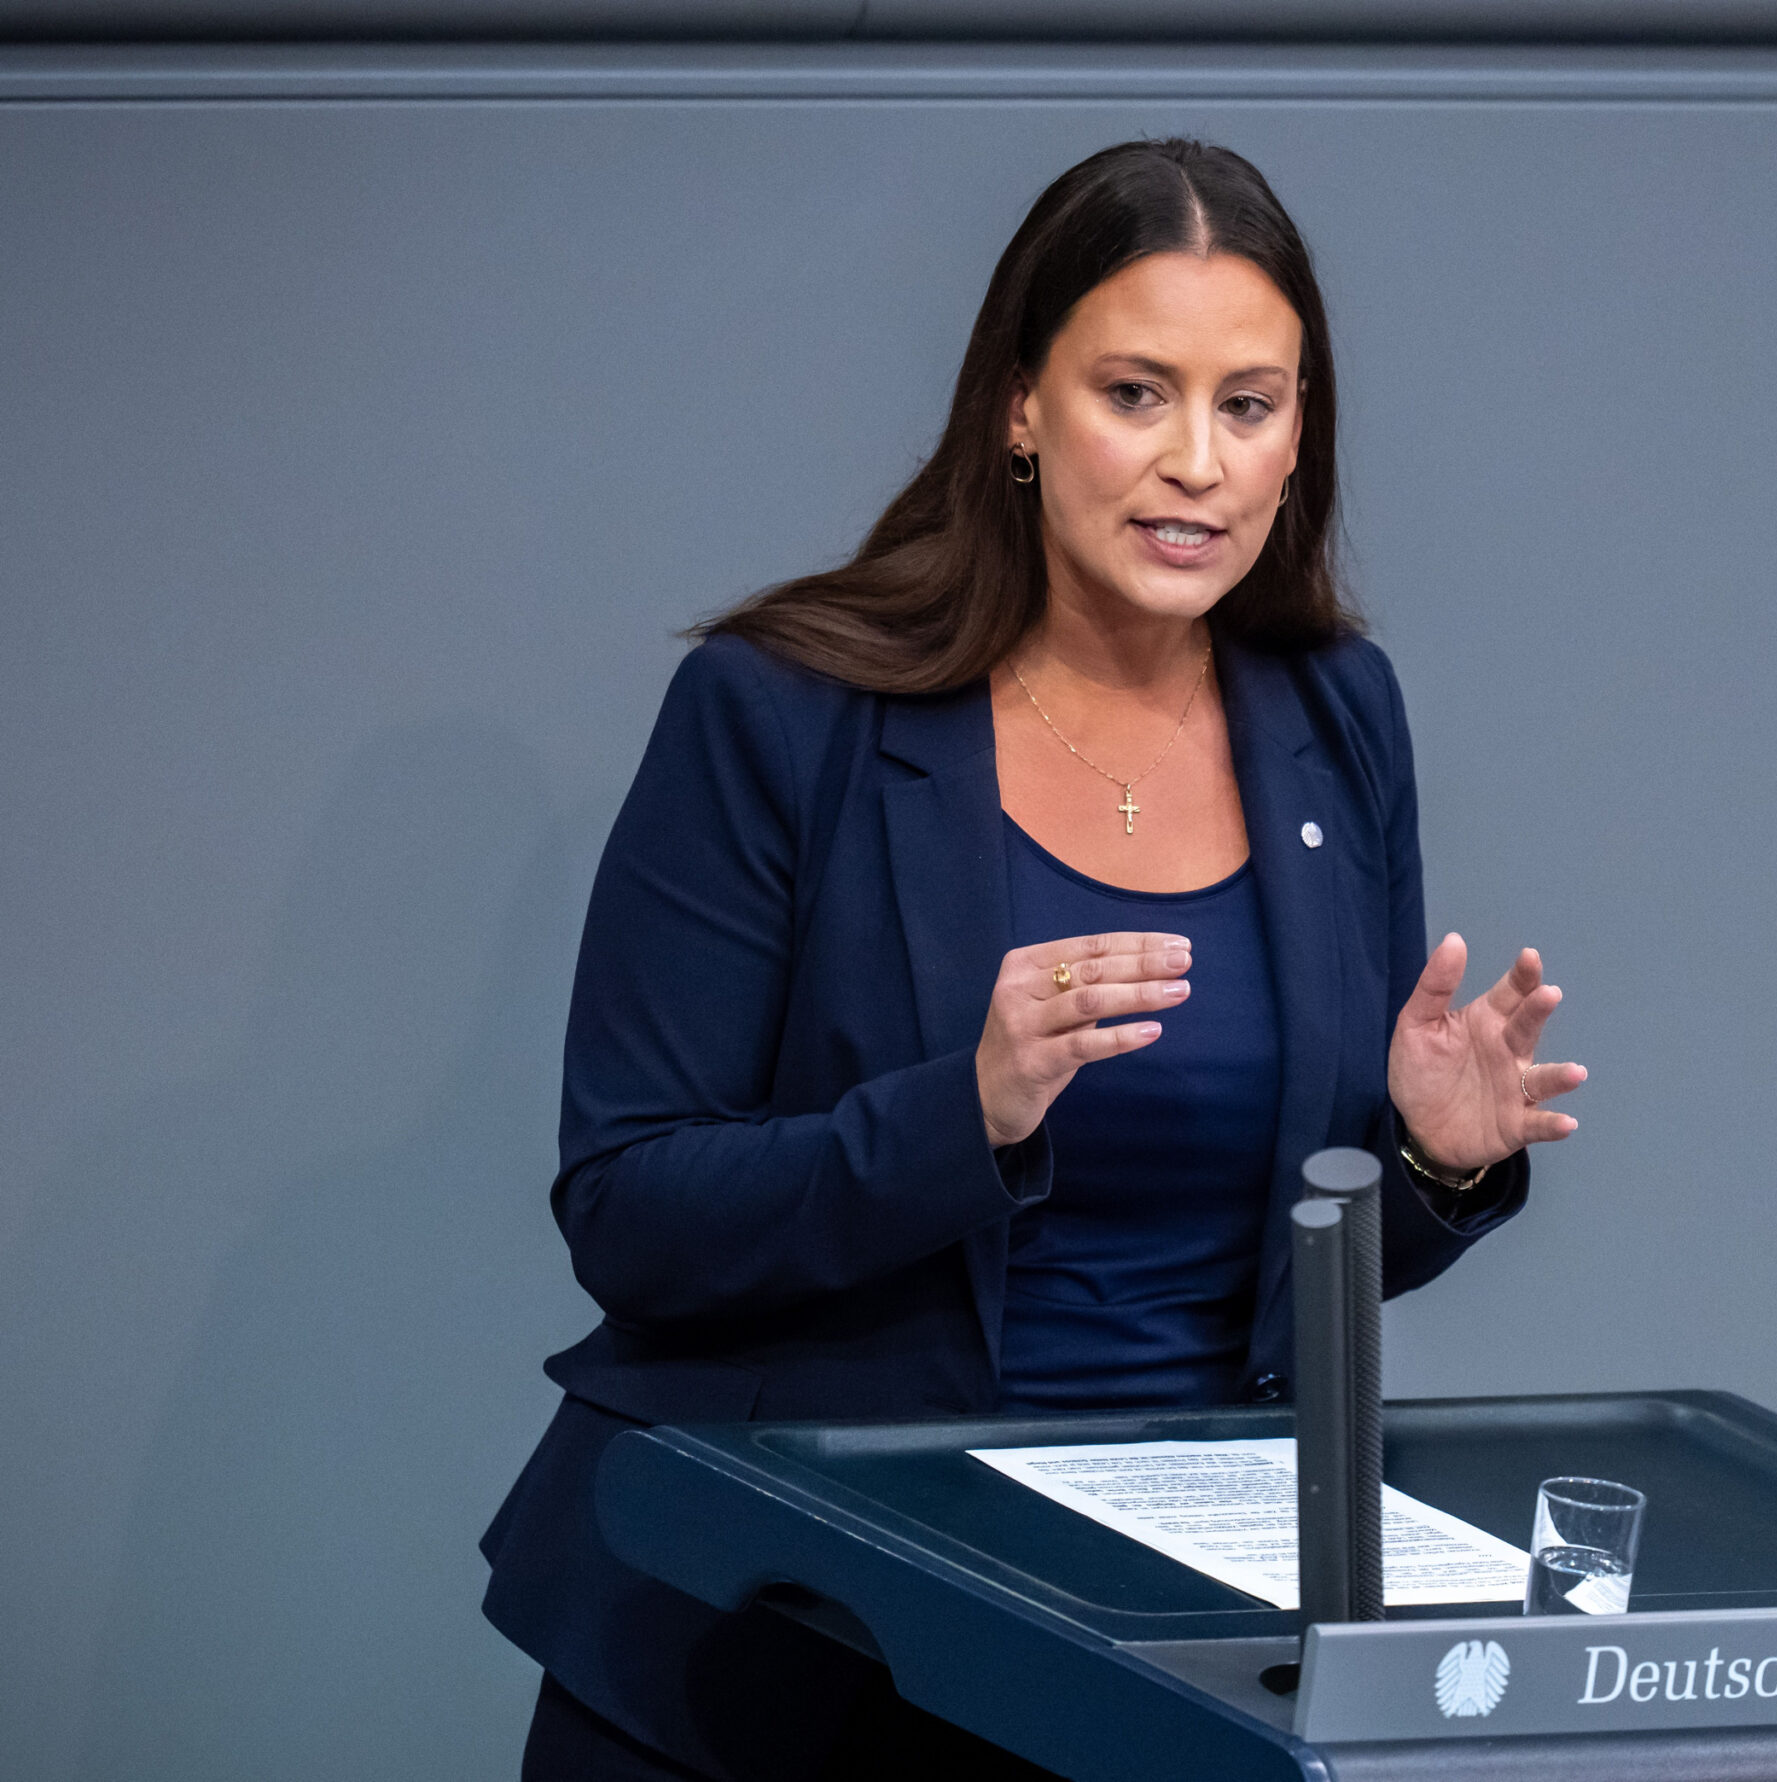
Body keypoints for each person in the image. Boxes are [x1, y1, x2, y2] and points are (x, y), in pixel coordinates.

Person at [480, 136, 1588, 1782]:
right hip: (789, 1653)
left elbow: (1288, 1281)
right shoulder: (784, 715)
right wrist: (966, 1111)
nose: (1197, 462)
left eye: (1250, 404)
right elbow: (629, 1212)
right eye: (1136, 393)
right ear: (1019, 405)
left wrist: (1425, 1158)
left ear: (1301, 437)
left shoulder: (1335, 716)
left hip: (1157, 1666)